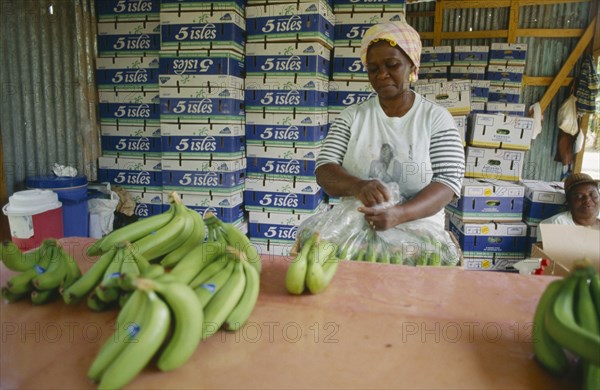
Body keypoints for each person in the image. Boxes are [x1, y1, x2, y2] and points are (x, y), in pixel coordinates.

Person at [315, 20, 465, 232]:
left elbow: (448, 183)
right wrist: (357, 186)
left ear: (412, 66)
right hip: (356, 229)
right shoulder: (352, 116)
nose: (382, 74)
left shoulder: (435, 118)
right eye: (373, 68)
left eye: (392, 65)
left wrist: (400, 214)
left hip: (419, 232)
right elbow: (324, 170)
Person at [538, 173, 600, 238]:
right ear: (569, 201)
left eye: (593, 194)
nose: (587, 200)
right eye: (579, 196)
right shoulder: (554, 225)